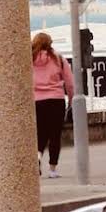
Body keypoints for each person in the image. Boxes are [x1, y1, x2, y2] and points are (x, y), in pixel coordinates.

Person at [31, 32, 73, 179]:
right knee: (55, 135)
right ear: (50, 43)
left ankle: (37, 155)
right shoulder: (58, 58)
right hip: (56, 100)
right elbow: (70, 82)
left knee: (39, 133)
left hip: (36, 101)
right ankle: (53, 170)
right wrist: (72, 100)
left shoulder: (28, 59)